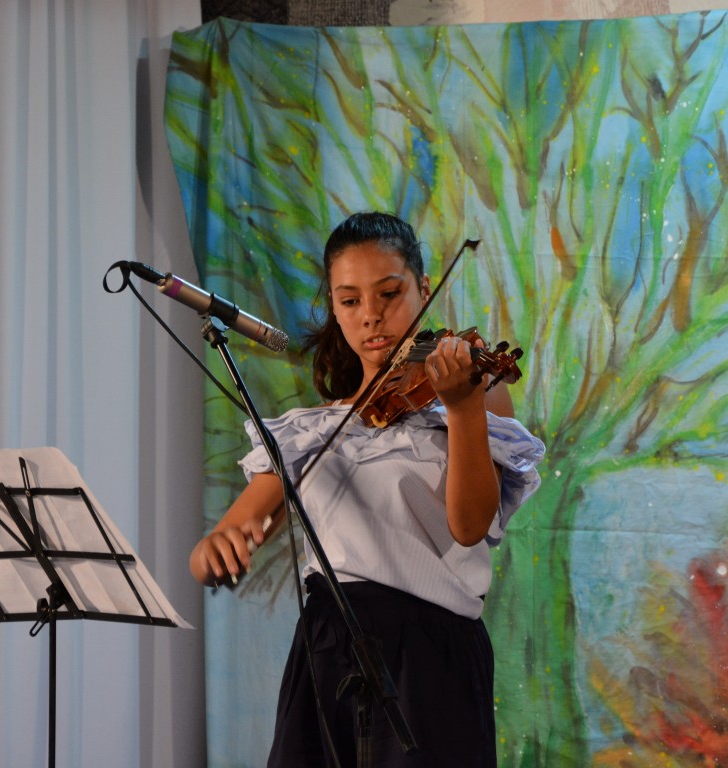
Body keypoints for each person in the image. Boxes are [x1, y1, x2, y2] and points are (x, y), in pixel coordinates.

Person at [189, 211, 545, 767]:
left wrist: (462, 408)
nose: (371, 315)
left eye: (390, 293)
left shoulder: (473, 394)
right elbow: (230, 533)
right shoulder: (311, 429)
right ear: (334, 308)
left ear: (424, 289)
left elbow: (470, 525)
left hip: (429, 657)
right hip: (326, 652)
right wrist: (217, 547)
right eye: (350, 300)